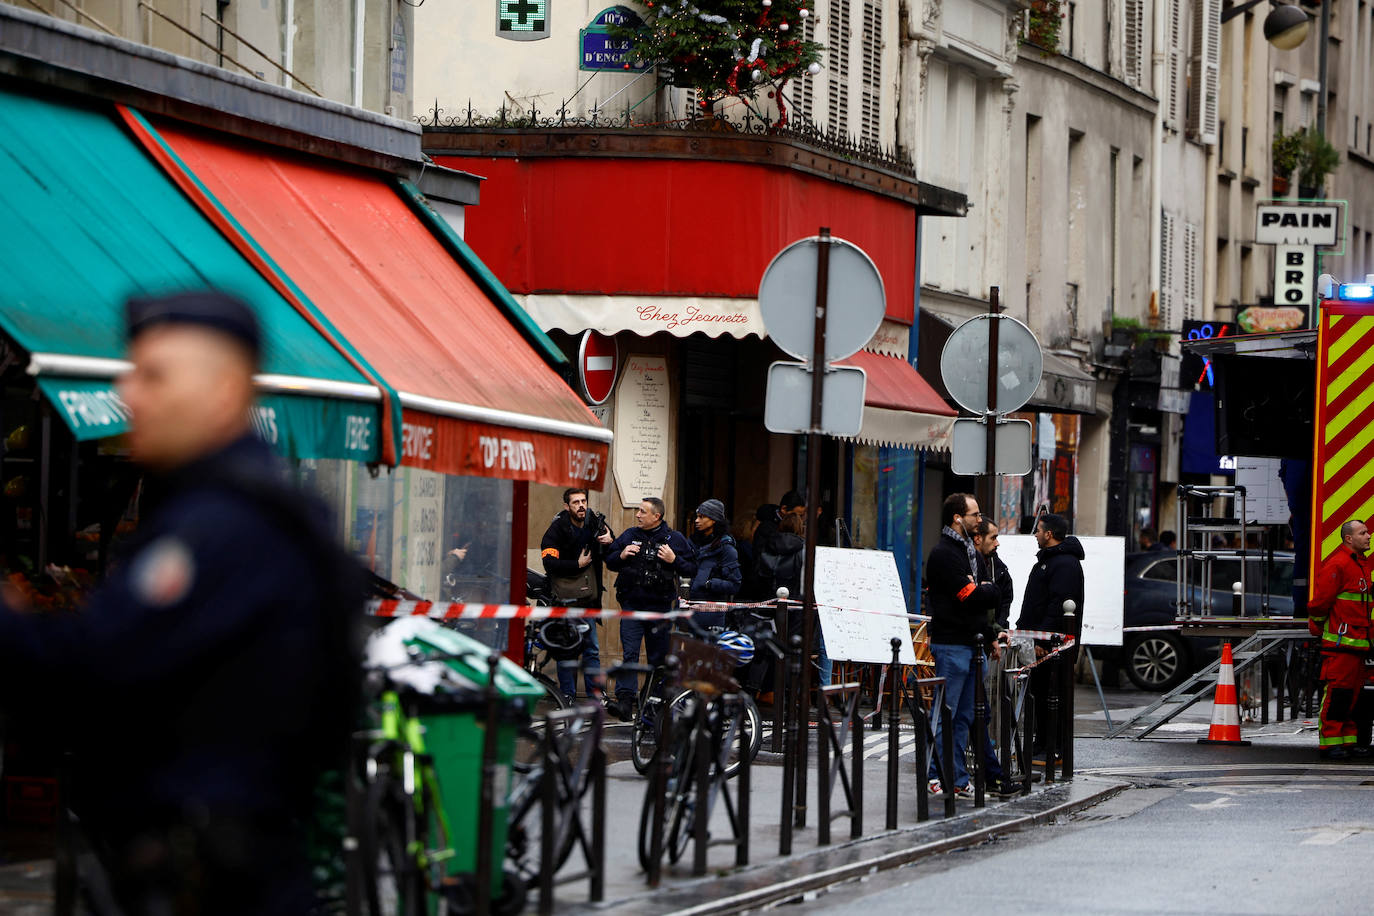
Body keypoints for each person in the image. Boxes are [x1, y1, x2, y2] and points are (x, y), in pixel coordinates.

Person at [0, 291, 363, 913]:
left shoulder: (220, 529)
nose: (130, 394)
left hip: (215, 880)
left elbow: (89, 670)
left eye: (154, 376)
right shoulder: (240, 511)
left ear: (223, 393)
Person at [924, 493, 1009, 798]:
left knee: (964, 717)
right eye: (974, 514)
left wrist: (986, 595)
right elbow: (969, 596)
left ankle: (957, 777)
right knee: (945, 712)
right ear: (958, 518)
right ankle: (935, 775)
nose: (978, 518)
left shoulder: (969, 552)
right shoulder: (945, 554)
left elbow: (990, 591)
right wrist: (984, 590)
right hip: (952, 645)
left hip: (973, 644)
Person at [604, 497, 697, 719]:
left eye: (642, 511)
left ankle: (651, 702)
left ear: (657, 516)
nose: (637, 515)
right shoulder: (630, 535)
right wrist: (622, 555)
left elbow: (692, 568)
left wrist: (674, 559)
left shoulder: (674, 539)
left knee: (658, 659)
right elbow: (610, 560)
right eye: (638, 510)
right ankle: (625, 702)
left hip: (660, 609)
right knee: (630, 654)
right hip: (632, 606)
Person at [1016, 512, 1085, 760]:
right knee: (1041, 694)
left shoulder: (1064, 563)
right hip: (1040, 640)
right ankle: (1041, 742)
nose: (1035, 534)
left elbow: (1058, 606)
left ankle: (1053, 748)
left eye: (1038, 530)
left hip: (1052, 645)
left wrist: (1044, 641)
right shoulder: (1049, 560)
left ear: (1049, 534)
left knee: (1052, 695)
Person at [539, 487, 615, 703]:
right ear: (567, 506)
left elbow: (612, 542)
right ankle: (567, 695)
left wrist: (609, 539)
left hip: (588, 599)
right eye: (576, 502)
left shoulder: (594, 521)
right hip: (564, 600)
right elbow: (549, 562)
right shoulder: (556, 529)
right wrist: (576, 564)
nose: (581, 506)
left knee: (591, 649)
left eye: (583, 501)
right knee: (566, 650)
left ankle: (595, 696)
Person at [1308, 519, 1372, 759]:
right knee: (1337, 696)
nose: (1368, 536)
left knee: (1352, 697)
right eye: (1363, 533)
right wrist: (1321, 625)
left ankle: (1347, 741)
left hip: (1356, 645)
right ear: (1349, 539)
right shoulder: (1338, 564)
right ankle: (1330, 743)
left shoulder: (1360, 565)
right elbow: (1319, 603)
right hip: (1340, 645)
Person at [687, 498, 742, 628]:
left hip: (713, 613)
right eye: (696, 516)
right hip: (689, 609)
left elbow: (735, 584)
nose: (696, 520)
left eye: (701, 517)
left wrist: (709, 583)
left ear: (713, 520)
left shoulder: (726, 548)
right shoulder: (692, 543)